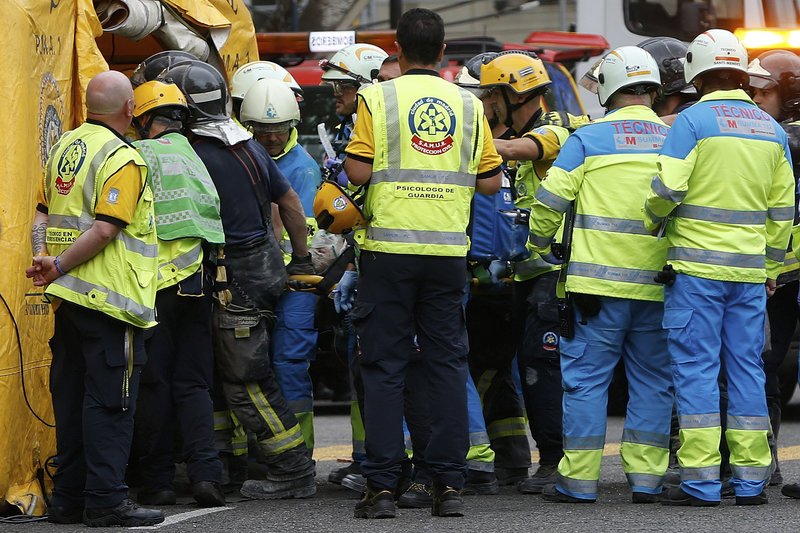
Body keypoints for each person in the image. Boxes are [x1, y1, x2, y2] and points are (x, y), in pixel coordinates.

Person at [343, 7, 502, 519]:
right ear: (443, 52)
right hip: (447, 254)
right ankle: (448, 485)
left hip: (388, 253)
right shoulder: (469, 104)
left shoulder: (377, 97)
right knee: (446, 366)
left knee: (385, 368)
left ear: (397, 48)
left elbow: (357, 172)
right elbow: (491, 182)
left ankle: (382, 488)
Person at [644, 29, 795, 507]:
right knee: (748, 371)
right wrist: (770, 266)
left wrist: (653, 219)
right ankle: (751, 483)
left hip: (695, 271)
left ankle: (701, 482)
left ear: (697, 74)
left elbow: (667, 189)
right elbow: (783, 211)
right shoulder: (770, 129)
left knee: (696, 372)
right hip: (749, 275)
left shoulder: (691, 121)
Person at [166, 60, 318, 499]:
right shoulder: (247, 146)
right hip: (261, 268)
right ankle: (224, 464)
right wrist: (300, 259)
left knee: (246, 378)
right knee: (220, 371)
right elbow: (288, 203)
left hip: (234, 278)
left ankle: (292, 469)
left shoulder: (192, 152)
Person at [529, 46, 673, 504]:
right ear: (653, 90)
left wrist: (538, 245)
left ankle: (578, 482)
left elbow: (550, 200)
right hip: (658, 287)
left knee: (586, 384)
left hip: (595, 289)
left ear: (608, 88)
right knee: (654, 382)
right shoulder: (674, 138)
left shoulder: (588, 138)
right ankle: (647, 481)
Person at [27, 70, 164, 527]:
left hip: (68, 302)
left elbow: (41, 214)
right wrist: (58, 264)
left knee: (71, 399)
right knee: (110, 403)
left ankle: (68, 499)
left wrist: (44, 259)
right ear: (130, 109)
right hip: (110, 302)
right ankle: (105, 501)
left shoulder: (66, 146)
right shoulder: (123, 157)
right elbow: (106, 229)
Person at [129, 80, 226, 508]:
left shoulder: (141, 154)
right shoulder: (196, 157)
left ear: (145, 119)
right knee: (195, 384)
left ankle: (158, 481)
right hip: (197, 284)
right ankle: (206, 476)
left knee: (155, 383)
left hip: (155, 286)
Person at [479, 51, 572, 493]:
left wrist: (466, 139)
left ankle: (556, 461)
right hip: (527, 276)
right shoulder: (516, 130)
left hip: (553, 276)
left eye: (490, 96)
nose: (486, 104)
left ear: (512, 95)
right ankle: (549, 458)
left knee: (543, 368)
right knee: (528, 367)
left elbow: (524, 150)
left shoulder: (553, 126)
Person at [319, 42, 389, 489]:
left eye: (342, 86)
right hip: (361, 258)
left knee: (381, 367)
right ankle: (367, 459)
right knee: (360, 367)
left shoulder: (379, 132)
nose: (335, 95)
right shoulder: (348, 130)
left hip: (385, 262)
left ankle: (387, 463)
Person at [240, 77, 322, 451]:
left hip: (294, 281)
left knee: (289, 363)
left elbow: (306, 234)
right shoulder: (242, 158)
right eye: (263, 129)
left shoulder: (303, 168)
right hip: (255, 277)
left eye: (279, 129)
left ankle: (297, 452)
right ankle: (255, 451)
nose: (272, 137)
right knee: (247, 364)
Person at [747, 49, 800, 493]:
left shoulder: (787, 137)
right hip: (777, 275)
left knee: (764, 365)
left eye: (763, 93)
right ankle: (764, 462)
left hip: (785, 273)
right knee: (764, 366)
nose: (754, 100)